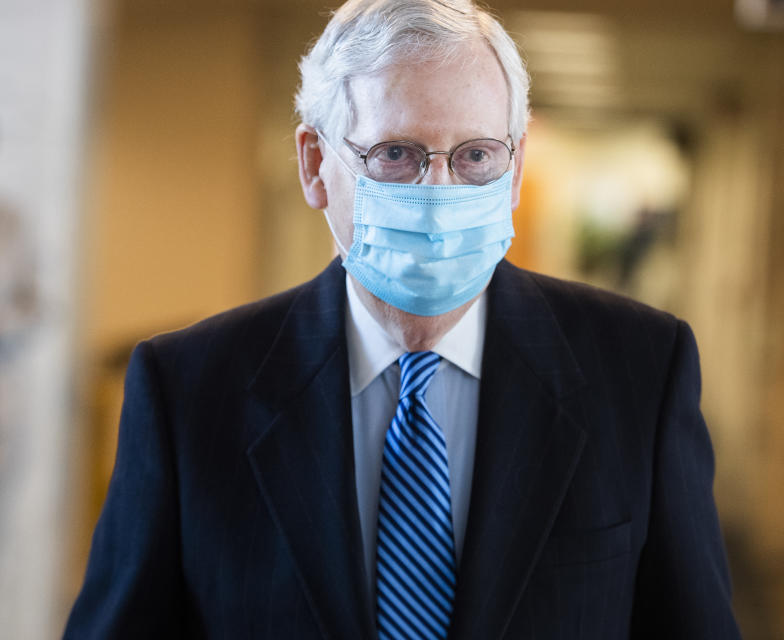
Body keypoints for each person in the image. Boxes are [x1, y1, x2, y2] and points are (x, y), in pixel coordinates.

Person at [64, 1, 741, 638]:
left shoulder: (641, 370)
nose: (437, 192)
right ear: (314, 163)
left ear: (516, 165)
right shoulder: (188, 390)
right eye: (396, 155)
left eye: (476, 155)